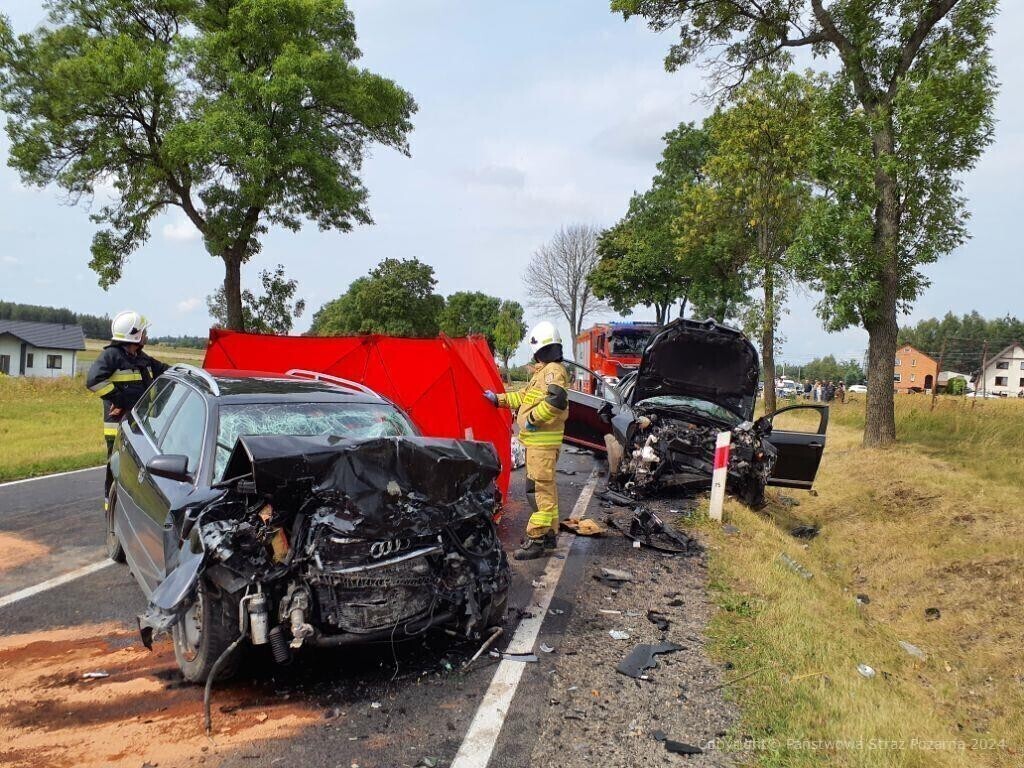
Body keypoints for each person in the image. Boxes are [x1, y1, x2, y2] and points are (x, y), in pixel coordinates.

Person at [484, 321, 570, 560]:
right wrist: (498, 399)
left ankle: (537, 538)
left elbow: (556, 401)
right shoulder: (543, 372)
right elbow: (523, 396)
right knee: (545, 490)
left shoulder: (553, 371)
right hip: (538, 445)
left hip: (542, 444)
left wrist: (532, 418)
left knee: (538, 492)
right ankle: (550, 534)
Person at [86, 311, 168, 508]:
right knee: (115, 468)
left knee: (135, 470)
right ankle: (111, 510)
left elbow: (165, 370)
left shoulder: (140, 357)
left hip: (138, 425)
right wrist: (120, 399)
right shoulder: (111, 356)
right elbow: (93, 381)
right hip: (117, 427)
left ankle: (131, 508)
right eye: (143, 332)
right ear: (135, 335)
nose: (146, 335)